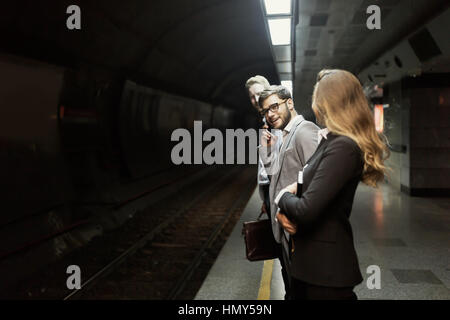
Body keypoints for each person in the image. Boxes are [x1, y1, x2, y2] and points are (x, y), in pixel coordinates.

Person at [274, 69, 389, 300]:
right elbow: (307, 182)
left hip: (326, 272)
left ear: (329, 102)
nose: (315, 106)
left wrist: (281, 198)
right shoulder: (331, 141)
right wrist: (285, 205)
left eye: (318, 98)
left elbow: (306, 210)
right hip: (310, 265)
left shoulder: (343, 147)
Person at [258, 85, 319, 299]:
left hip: (298, 231)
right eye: (265, 111)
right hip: (286, 231)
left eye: (274, 106)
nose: (270, 114)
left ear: (289, 103)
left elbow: (317, 184)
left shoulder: (305, 131)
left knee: (300, 292)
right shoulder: (285, 134)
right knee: (292, 289)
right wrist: (266, 149)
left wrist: (301, 223)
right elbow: (274, 176)